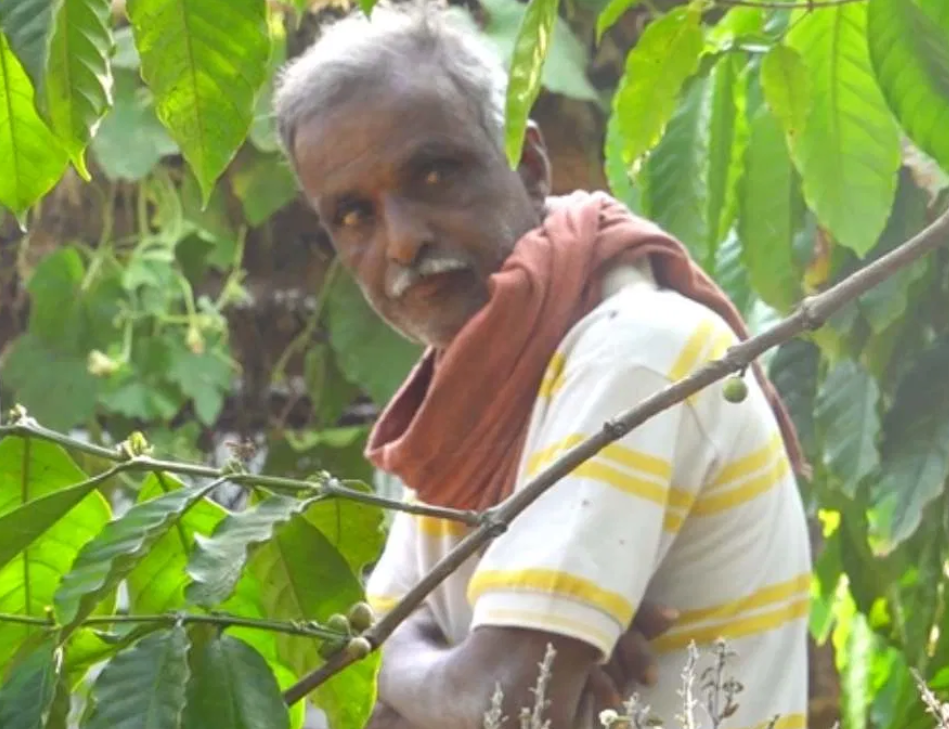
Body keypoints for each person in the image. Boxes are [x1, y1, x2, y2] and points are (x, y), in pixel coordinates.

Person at [273, 3, 813, 728]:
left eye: (433, 174)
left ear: (528, 166)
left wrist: (421, 663)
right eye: (352, 214)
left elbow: (503, 705)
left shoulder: (639, 351)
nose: (400, 241)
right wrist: (453, 668)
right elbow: (355, 694)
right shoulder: (471, 384)